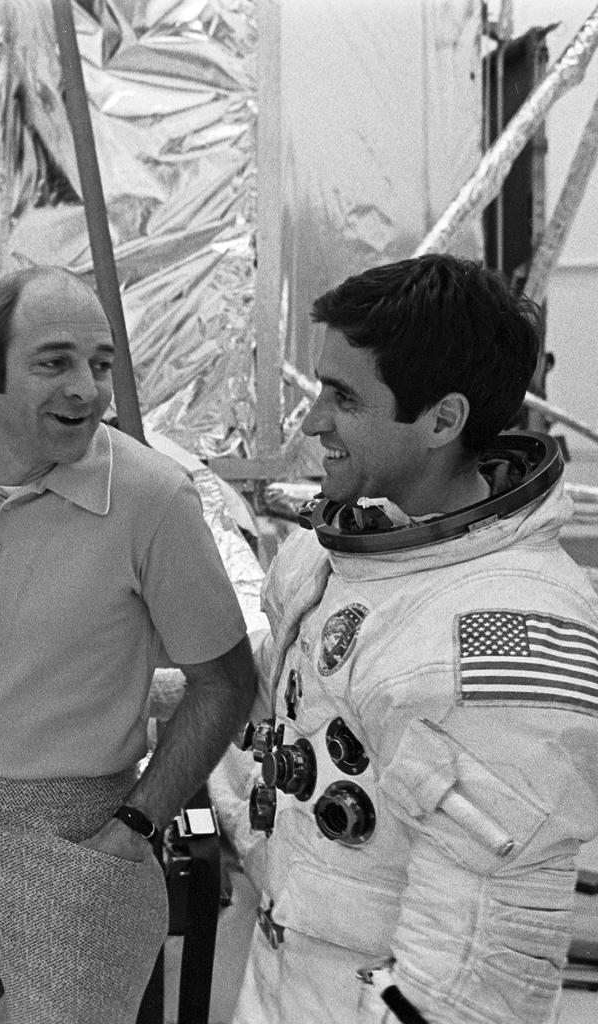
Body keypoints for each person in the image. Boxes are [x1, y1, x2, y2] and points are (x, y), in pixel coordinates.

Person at [0, 265, 257, 1023]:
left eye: (100, 365)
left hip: (80, 843)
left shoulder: (153, 497)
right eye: (54, 362)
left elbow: (226, 681)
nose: (88, 390)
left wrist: (136, 826)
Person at [232, 253, 598, 1023]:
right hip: (285, 974)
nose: (312, 422)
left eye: (343, 397)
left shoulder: (498, 638)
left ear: (442, 420)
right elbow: (288, 711)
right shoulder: (332, 555)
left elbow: (473, 982)